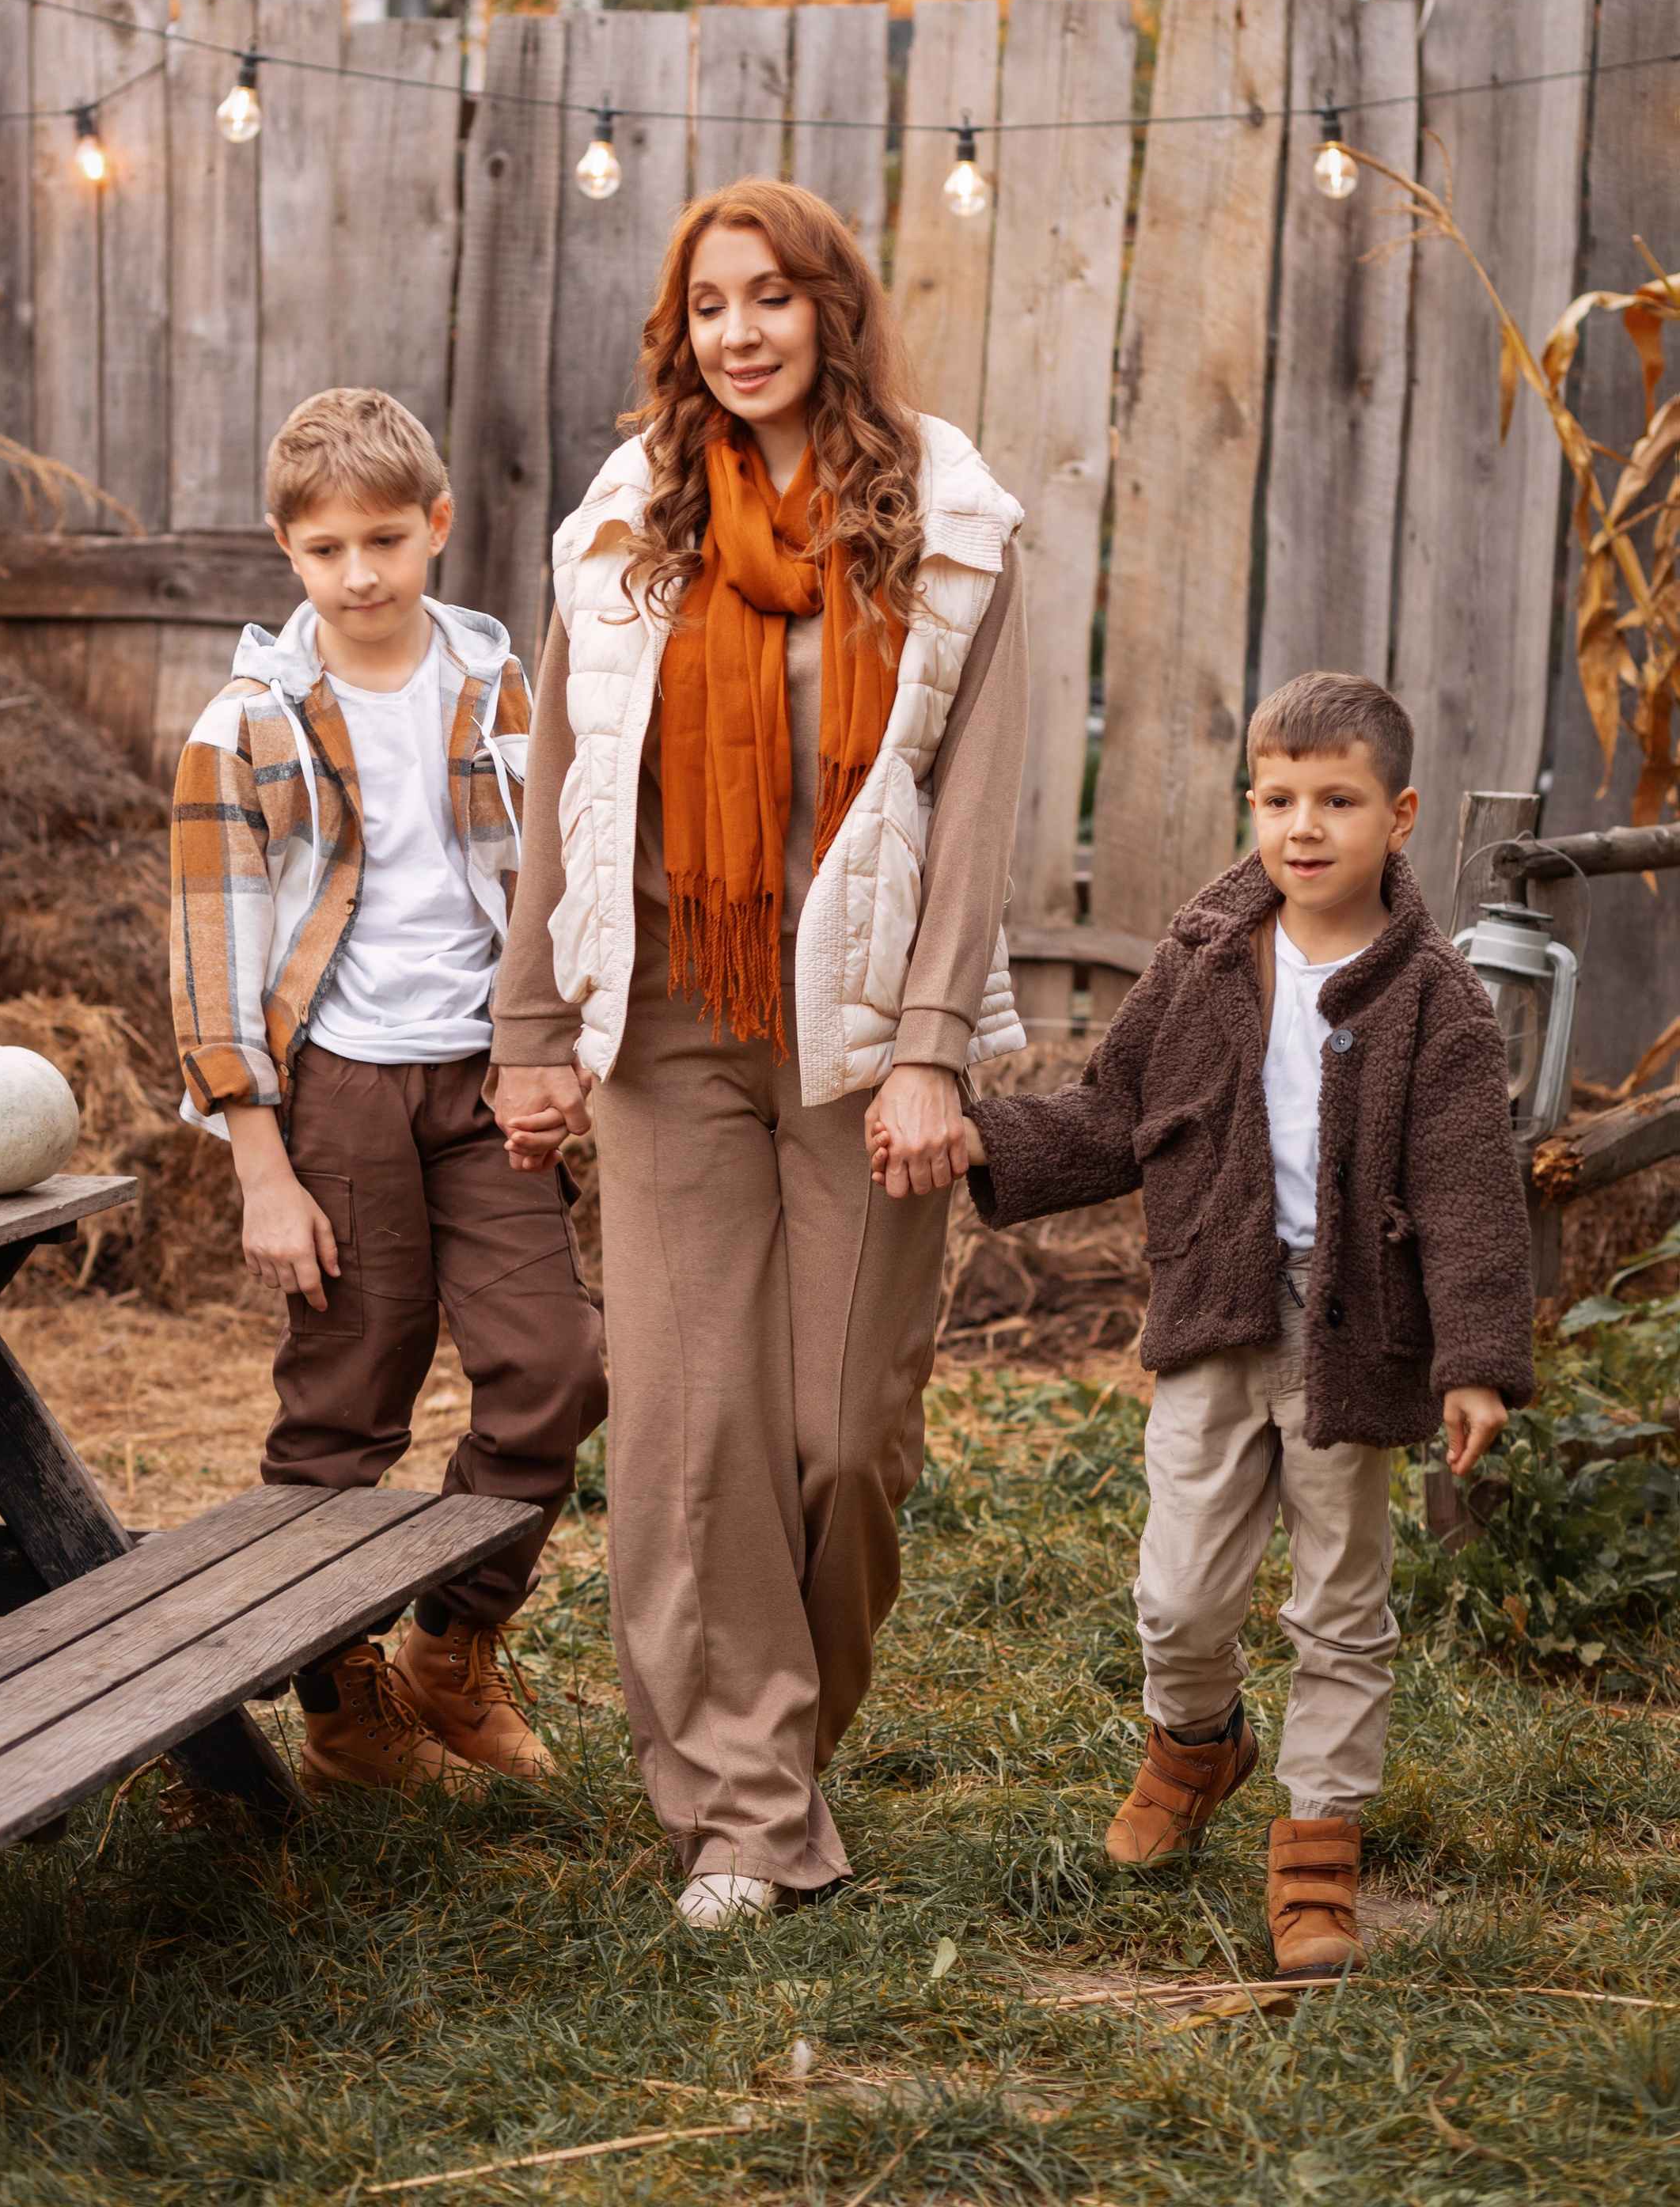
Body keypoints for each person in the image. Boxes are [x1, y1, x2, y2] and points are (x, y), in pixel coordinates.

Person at [491, 180, 1030, 1925]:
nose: (737, 332)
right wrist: (530, 1032)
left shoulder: (942, 527)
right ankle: (738, 1810)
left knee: (842, 1431)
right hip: (663, 1021)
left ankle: (774, 1746)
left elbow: (971, 812)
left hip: (862, 1032)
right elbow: (566, 796)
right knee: (685, 1427)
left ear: (832, 312)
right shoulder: (624, 528)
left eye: (770, 298)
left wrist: (934, 1047)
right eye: (707, 303)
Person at [923, 672, 1533, 1978]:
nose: (1302, 828)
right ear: (1249, 805)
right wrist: (986, 1134)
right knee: (1180, 1595)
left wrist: (1479, 1360)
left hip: (1353, 1326)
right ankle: (1197, 1744)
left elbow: (1472, 1191)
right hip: (1215, 1300)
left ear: (1401, 814)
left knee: (1339, 1601)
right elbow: (1112, 1111)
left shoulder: (1434, 1000)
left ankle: (1319, 1853)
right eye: (1276, 799)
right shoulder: (1204, 962)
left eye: (1337, 801)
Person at [169, 387, 606, 1796]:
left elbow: (567, 884)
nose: (358, 576)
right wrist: (262, 1170)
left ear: (439, 526)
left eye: (383, 541)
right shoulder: (245, 730)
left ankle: (449, 1645)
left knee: (556, 1371)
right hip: (339, 1095)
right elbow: (212, 962)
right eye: (323, 550)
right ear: (285, 553)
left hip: (488, 1080)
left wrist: (568, 1050)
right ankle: (336, 1694)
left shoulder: (510, 694)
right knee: (345, 1404)